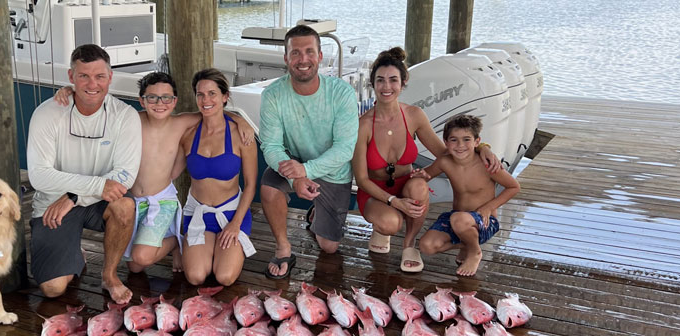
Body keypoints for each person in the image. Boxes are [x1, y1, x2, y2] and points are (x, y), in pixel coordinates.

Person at [53, 73, 254, 276]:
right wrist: (72, 91)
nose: (159, 103)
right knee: (135, 267)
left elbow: (211, 111)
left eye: (166, 98)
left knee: (144, 258)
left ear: (174, 101)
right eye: (152, 98)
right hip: (133, 201)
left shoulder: (180, 123)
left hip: (163, 201)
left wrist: (239, 120)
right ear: (142, 100)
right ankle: (174, 242)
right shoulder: (132, 120)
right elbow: (99, 106)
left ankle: (175, 241)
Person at [352, 47, 500, 273]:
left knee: (419, 186)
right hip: (375, 191)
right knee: (391, 223)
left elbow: (446, 152)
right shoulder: (363, 125)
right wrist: (394, 202)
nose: (386, 86)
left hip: (407, 184)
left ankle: (409, 245)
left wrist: (482, 148)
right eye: (380, 80)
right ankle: (381, 228)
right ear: (372, 83)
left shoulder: (414, 115)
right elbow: (362, 179)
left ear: (403, 83)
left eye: (393, 80)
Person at [26, 44, 140, 304]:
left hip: (91, 201)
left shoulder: (125, 115)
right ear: (71, 76)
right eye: (83, 76)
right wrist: (95, 187)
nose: (92, 84)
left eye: (100, 76)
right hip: (52, 204)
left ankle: (109, 275)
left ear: (110, 77)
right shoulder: (47, 113)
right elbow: (39, 176)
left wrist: (74, 197)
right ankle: (73, 251)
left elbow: (125, 177)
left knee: (124, 206)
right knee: (53, 289)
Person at [259, 24, 359, 279]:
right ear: (286, 58)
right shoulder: (273, 95)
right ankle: (283, 248)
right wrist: (296, 178)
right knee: (269, 188)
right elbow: (271, 145)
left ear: (320, 56)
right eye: (295, 53)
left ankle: (315, 213)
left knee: (329, 246)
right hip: (295, 164)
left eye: (309, 52)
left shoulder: (342, 93)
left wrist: (306, 170)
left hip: (332, 170)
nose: (303, 59)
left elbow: (345, 149)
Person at [175, 68, 257, 286]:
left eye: (212, 93)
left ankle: (223, 250)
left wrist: (235, 224)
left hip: (231, 214)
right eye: (200, 94)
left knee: (225, 277)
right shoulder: (188, 134)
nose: (206, 100)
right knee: (195, 276)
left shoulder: (241, 135)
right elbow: (170, 174)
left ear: (225, 96)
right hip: (198, 214)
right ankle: (189, 246)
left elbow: (250, 185)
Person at [416, 114, 520, 276]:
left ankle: (475, 252)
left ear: (477, 142)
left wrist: (489, 207)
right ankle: (466, 244)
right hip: (457, 218)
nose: (460, 145)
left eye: (466, 140)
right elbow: (425, 175)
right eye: (454, 140)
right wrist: (418, 175)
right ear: (445, 142)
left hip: (485, 221)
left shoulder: (487, 164)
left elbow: (513, 186)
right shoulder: (444, 162)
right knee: (426, 246)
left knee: (459, 219)